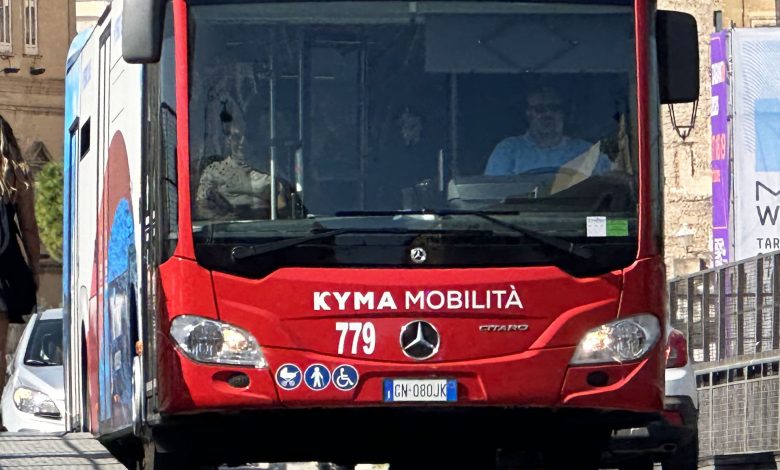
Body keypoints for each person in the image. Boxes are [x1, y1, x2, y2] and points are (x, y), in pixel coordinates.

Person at [0, 116, 40, 406]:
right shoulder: (17, 173)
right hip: (4, 269)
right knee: (0, 349)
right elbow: (29, 228)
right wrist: (35, 270)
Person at [484, 86, 612, 177]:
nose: (548, 114)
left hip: (575, 214)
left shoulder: (586, 151)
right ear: (529, 114)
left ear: (563, 113)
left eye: (554, 108)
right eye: (540, 109)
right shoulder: (508, 150)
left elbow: (612, 182)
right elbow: (493, 193)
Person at [195, 112, 293, 221]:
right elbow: (202, 208)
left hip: (267, 233)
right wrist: (222, 219)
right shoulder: (214, 171)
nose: (242, 142)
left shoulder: (271, 170)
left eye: (248, 138)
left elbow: (283, 209)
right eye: (237, 137)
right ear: (228, 140)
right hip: (226, 234)